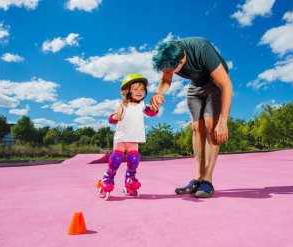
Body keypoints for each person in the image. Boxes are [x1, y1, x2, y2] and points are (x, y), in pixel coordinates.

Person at [151, 37, 233, 198]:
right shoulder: (168, 54)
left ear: (181, 62)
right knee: (196, 127)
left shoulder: (202, 49)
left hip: (215, 84)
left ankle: (207, 179)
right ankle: (198, 178)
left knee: (211, 124)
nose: (168, 73)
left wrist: (223, 122)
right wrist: (158, 92)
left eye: (171, 70)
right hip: (195, 87)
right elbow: (165, 80)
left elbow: (227, 85)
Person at [98, 73, 158, 200]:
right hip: (122, 138)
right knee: (116, 160)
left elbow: (151, 113)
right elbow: (112, 119)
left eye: (142, 89)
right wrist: (115, 117)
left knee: (134, 161)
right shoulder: (121, 104)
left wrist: (156, 107)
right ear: (127, 90)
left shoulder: (141, 105)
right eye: (135, 89)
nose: (139, 91)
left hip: (134, 139)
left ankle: (130, 180)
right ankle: (107, 179)